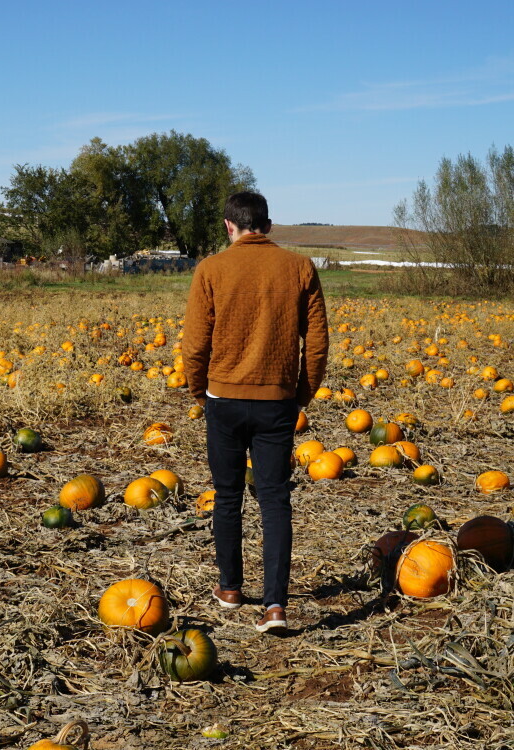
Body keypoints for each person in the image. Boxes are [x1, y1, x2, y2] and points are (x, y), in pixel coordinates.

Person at [181, 191, 328, 633]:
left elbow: (195, 343)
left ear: (230, 226)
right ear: (268, 225)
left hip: (223, 400)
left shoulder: (211, 268)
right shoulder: (300, 267)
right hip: (277, 402)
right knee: (275, 499)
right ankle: (275, 606)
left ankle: (229, 589)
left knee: (227, 495)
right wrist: (301, 394)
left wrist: (200, 391)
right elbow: (317, 343)